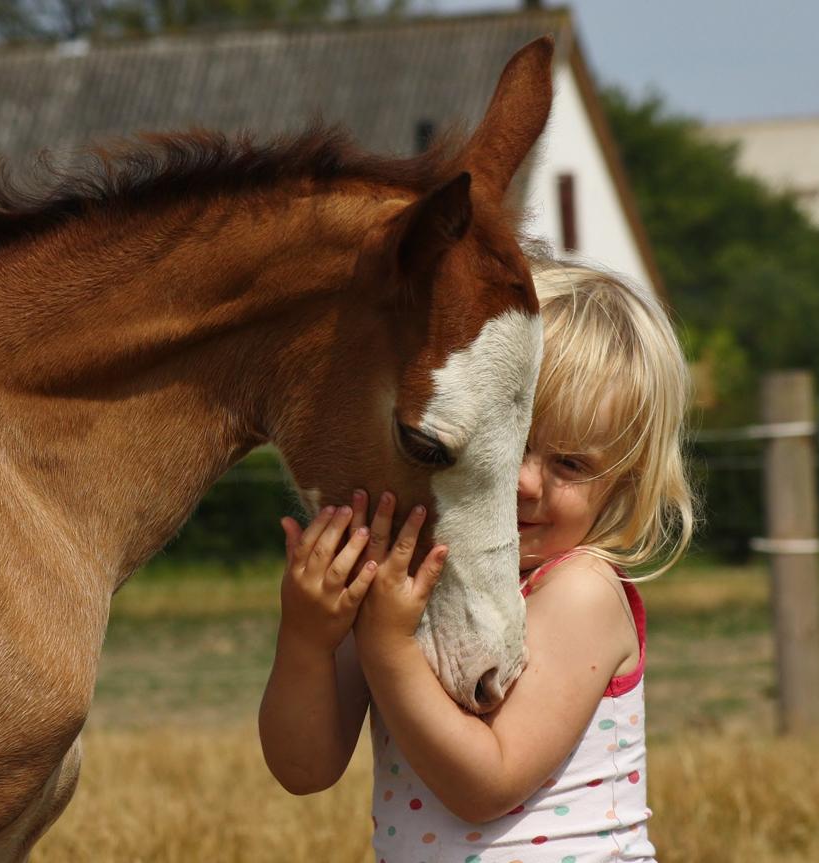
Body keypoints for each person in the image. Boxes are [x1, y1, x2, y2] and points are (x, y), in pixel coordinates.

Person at [259, 262, 694, 862]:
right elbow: (303, 767)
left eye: (569, 464)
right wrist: (306, 639)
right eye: (509, 441)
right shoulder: (407, 588)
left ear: (622, 486)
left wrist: (389, 646)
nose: (522, 481)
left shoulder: (580, 591)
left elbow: (487, 785)